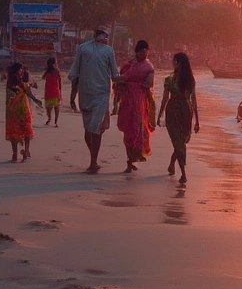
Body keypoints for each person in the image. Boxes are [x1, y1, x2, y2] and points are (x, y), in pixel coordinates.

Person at [68, 28, 121, 174]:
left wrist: (73, 95)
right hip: (94, 93)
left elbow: (74, 74)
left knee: (93, 129)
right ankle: (94, 159)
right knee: (92, 129)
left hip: (95, 94)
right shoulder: (100, 50)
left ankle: (93, 162)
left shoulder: (85, 49)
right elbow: (115, 74)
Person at [157, 52, 200, 185]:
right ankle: (183, 173)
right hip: (173, 113)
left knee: (182, 141)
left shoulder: (190, 79)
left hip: (185, 113)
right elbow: (165, 98)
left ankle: (171, 163)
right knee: (178, 141)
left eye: (174, 61)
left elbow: (194, 100)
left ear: (178, 62)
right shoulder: (169, 79)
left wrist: (197, 120)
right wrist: (160, 114)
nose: (173, 63)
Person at [117, 39, 156, 173]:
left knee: (136, 131)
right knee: (128, 130)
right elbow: (121, 78)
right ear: (136, 52)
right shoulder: (130, 65)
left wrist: (131, 83)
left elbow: (148, 84)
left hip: (139, 103)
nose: (143, 54)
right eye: (140, 52)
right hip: (127, 101)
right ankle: (130, 159)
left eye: (145, 52)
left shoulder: (148, 67)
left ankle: (132, 160)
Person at [5, 63, 43, 162]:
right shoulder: (21, 83)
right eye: (21, 69)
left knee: (13, 132)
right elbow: (28, 92)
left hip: (11, 111)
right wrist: (36, 100)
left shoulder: (9, 82)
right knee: (26, 129)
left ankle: (14, 155)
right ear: (18, 70)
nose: (22, 71)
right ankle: (26, 151)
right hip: (23, 109)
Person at [42, 57, 62, 126]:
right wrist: (60, 90)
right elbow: (59, 81)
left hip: (48, 92)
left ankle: (49, 119)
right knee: (56, 108)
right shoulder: (57, 71)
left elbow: (43, 78)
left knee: (49, 108)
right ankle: (56, 122)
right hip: (56, 92)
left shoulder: (47, 71)